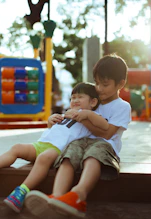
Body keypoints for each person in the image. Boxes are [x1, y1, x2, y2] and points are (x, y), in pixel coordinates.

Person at [0, 82, 109, 213]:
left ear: (93, 102)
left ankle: (22, 191)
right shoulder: (67, 114)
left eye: (80, 97)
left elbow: (104, 125)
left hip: (58, 150)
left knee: (43, 158)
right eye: (73, 98)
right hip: (41, 144)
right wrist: (51, 121)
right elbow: (56, 129)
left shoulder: (91, 117)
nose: (75, 101)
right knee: (17, 147)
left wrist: (86, 114)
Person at [24, 54, 131, 218]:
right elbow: (73, 121)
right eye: (97, 83)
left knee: (93, 155)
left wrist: (85, 117)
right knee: (68, 155)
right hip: (81, 141)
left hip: (105, 145)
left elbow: (108, 133)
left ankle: (78, 195)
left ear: (121, 84)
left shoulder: (122, 106)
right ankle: (57, 198)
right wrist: (56, 121)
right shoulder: (94, 100)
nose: (99, 88)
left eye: (105, 84)